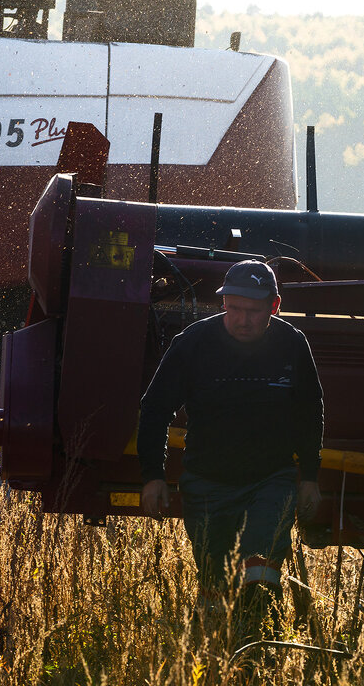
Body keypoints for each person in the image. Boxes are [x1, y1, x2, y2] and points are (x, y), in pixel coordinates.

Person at [137, 259, 323, 635]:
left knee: (260, 570)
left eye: (253, 311)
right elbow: (155, 409)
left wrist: (310, 478)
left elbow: (310, 411)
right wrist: (152, 477)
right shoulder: (192, 344)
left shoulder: (292, 344)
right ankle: (219, 662)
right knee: (213, 591)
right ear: (223, 302)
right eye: (234, 308)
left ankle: (261, 654)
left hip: (271, 480)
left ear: (274, 306)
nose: (242, 319)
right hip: (207, 482)